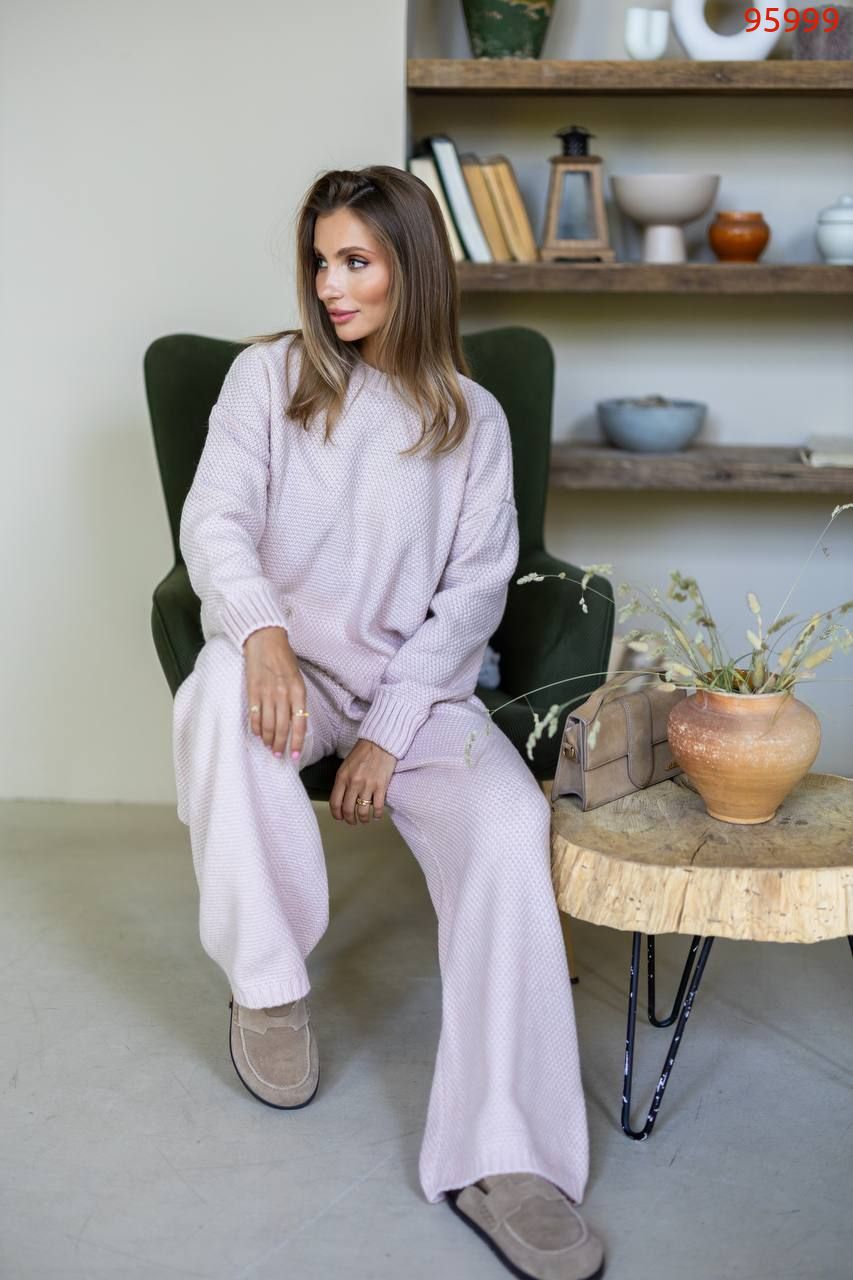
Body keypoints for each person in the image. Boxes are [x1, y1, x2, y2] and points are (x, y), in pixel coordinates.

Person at [171, 165, 605, 1280]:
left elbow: (473, 596)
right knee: (214, 689)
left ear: (411, 268)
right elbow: (215, 519)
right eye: (320, 261)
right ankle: (269, 985)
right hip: (288, 676)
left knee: (508, 826)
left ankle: (506, 1153)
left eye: (354, 261)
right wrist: (261, 631)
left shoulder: (472, 419)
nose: (329, 285)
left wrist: (390, 728)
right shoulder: (267, 378)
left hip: (421, 692)